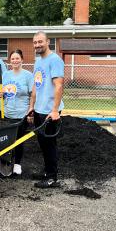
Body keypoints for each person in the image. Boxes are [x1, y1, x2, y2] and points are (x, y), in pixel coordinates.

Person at [31, 31, 65, 188]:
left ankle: (52, 178)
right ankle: (47, 171)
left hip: (50, 111)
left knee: (49, 144)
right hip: (39, 109)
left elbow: (59, 85)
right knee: (43, 143)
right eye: (35, 42)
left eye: (40, 42)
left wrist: (55, 110)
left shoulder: (55, 60)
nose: (37, 45)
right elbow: (36, 85)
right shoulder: (38, 61)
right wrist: (32, 106)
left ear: (48, 42)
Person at [0, 49, 34, 176]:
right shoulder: (6, 75)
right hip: (7, 113)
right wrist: (0, 94)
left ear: (22, 60)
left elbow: (32, 94)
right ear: (10, 61)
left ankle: (17, 164)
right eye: (12, 59)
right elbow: (2, 94)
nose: (15, 61)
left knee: (19, 140)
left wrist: (30, 111)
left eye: (17, 58)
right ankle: (7, 162)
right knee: (7, 141)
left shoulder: (28, 75)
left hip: (22, 114)